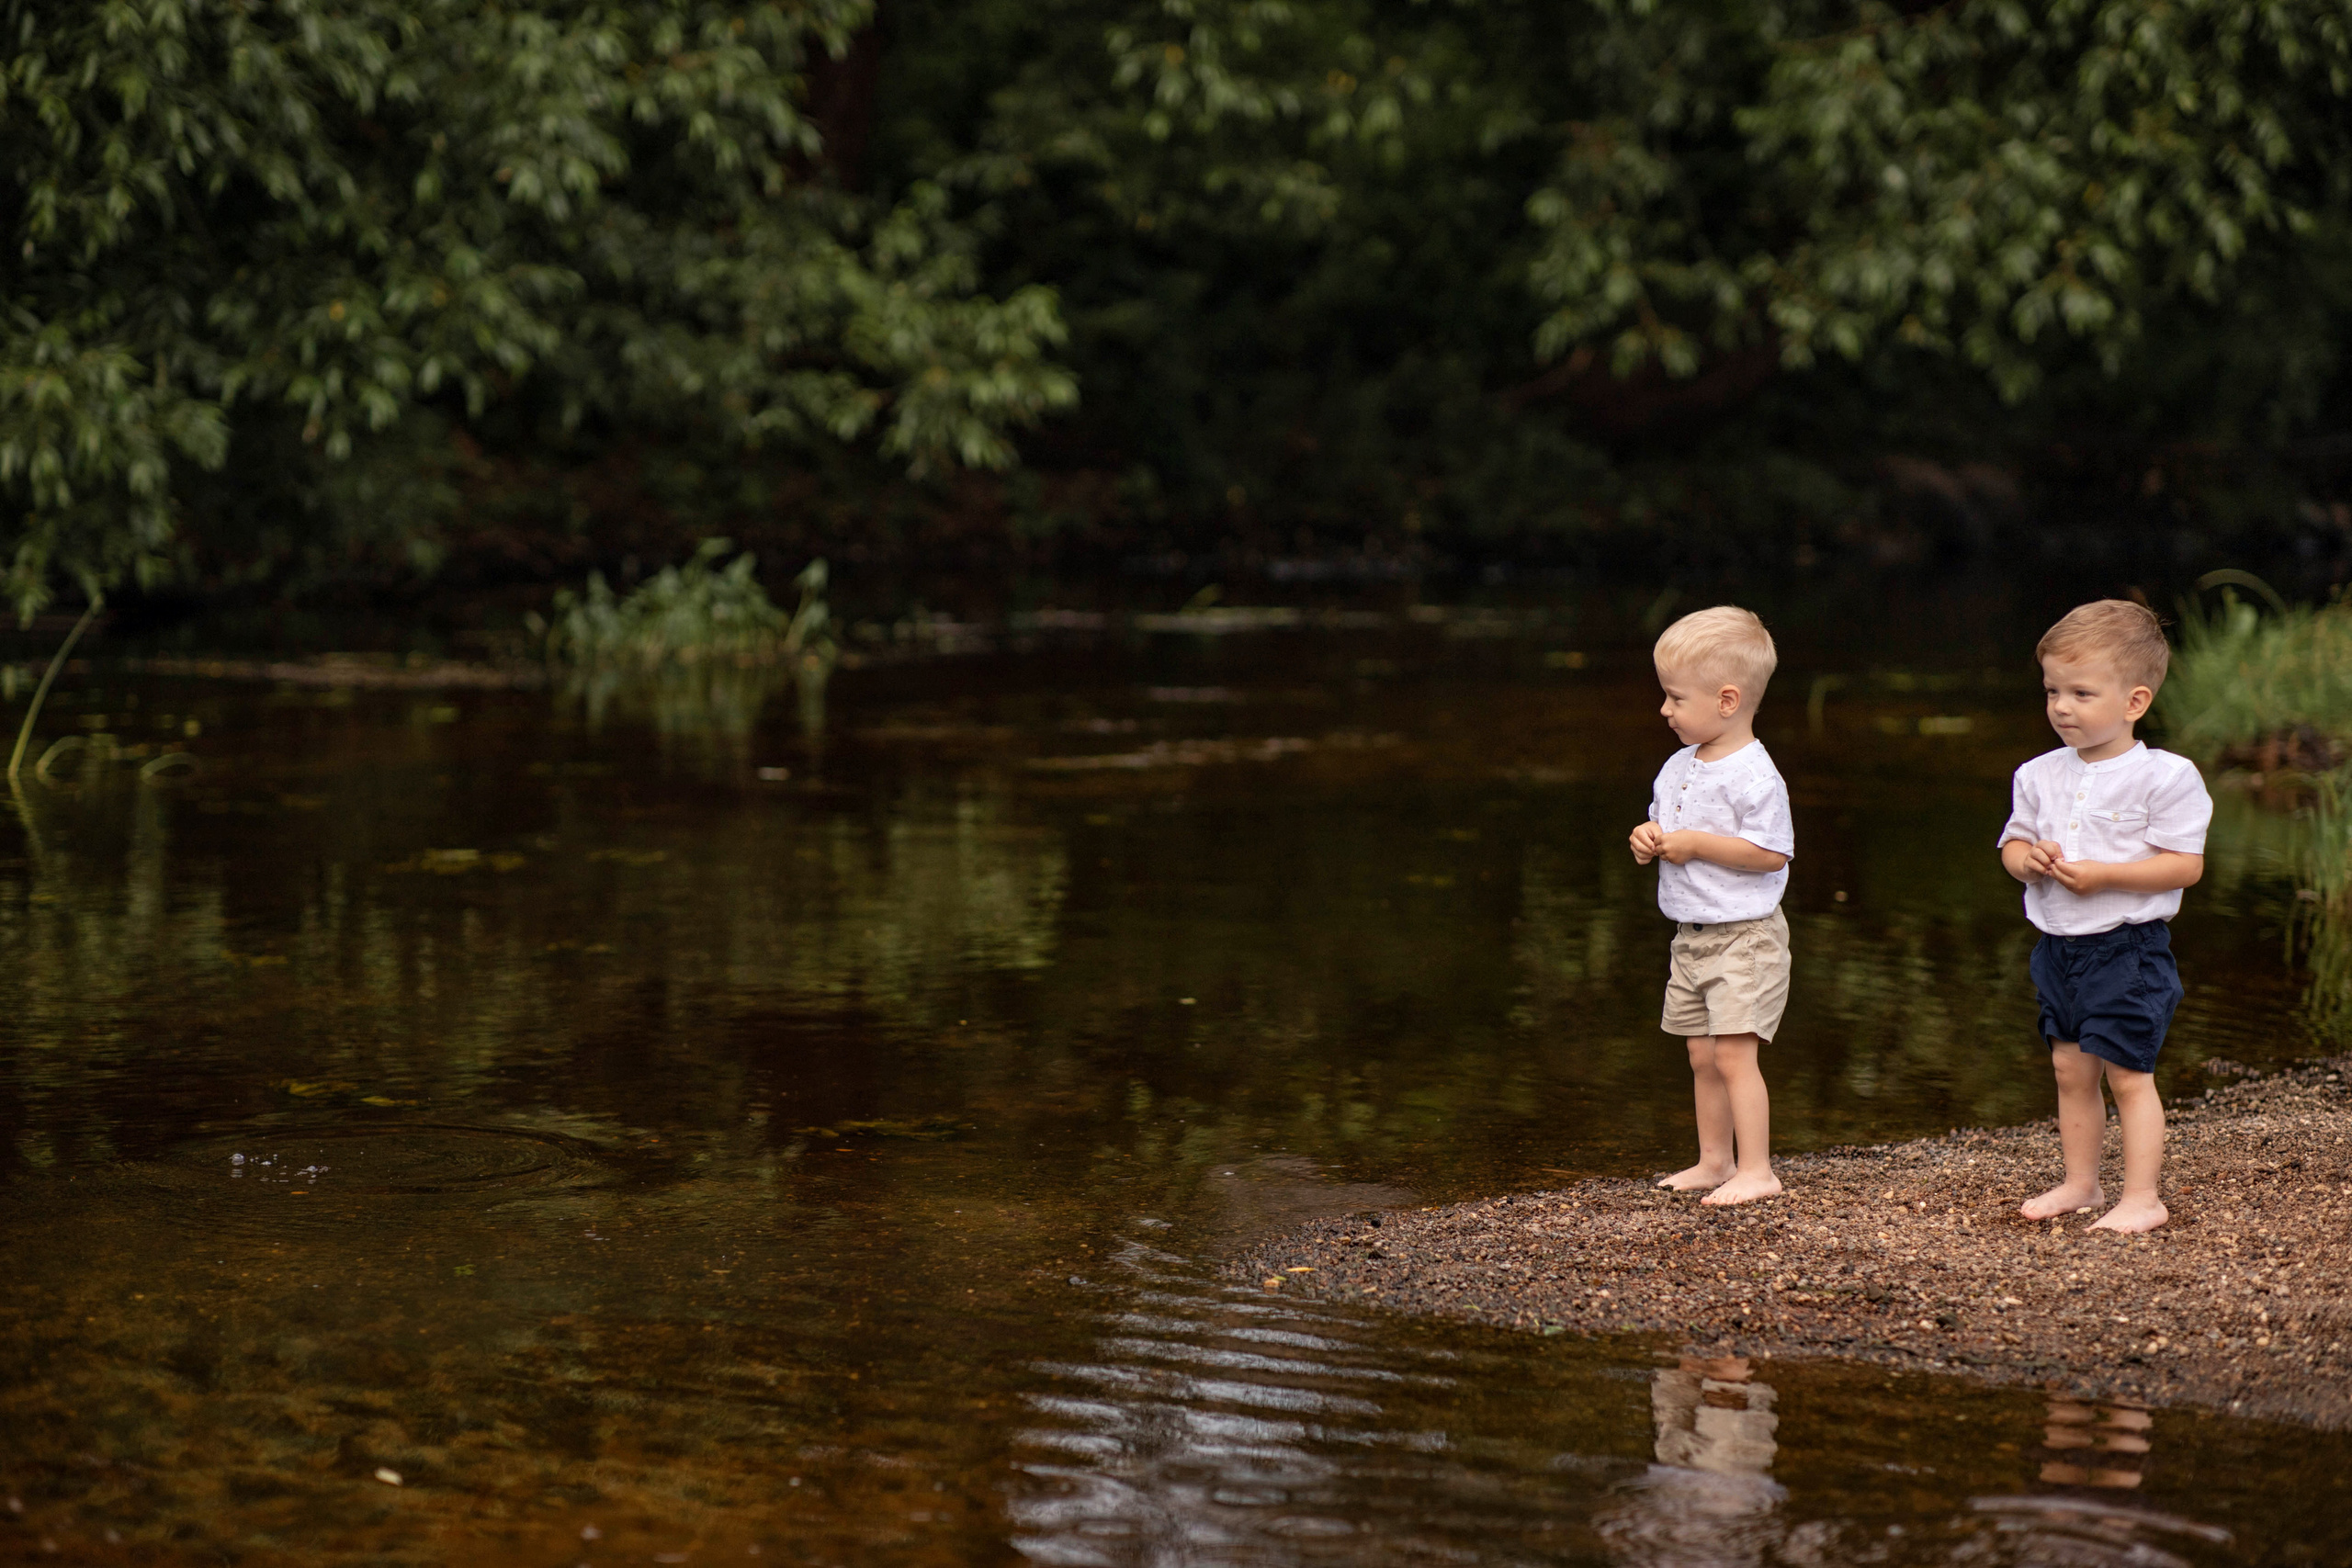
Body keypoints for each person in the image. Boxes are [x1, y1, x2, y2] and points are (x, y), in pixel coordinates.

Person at [1998, 599, 2211, 1234]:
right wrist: (2029, 860)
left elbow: (2184, 866)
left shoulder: (2165, 777)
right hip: (2057, 945)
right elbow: (2010, 846)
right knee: (2070, 1067)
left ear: (2134, 702)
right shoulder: (2036, 774)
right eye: (2052, 690)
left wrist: (2106, 876)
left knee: (2127, 1070)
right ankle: (2081, 1183)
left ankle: (2143, 1196)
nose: (2062, 705)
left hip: (2127, 948)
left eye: (2082, 692)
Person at [1629, 606, 1793, 1206]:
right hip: (1691, 935)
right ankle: (1714, 1159)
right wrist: (1648, 839)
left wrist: (1697, 845)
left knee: (1733, 1052)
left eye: (1675, 698)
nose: (1665, 710)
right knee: (1701, 1052)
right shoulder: (1679, 765)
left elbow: (1772, 853)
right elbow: (1665, 825)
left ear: (1727, 699)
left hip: (1744, 936)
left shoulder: (1754, 774)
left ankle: (1757, 1169)